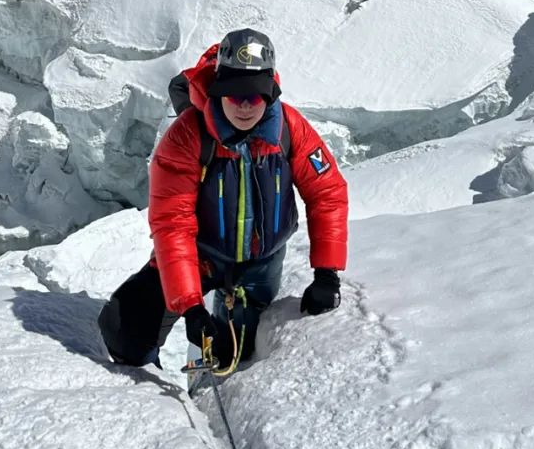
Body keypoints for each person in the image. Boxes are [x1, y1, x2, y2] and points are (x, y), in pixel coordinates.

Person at [98, 28, 348, 370]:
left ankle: (217, 366)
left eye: (255, 97)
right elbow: (173, 225)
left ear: (270, 94)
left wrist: (327, 272)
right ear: (218, 90)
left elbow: (327, 192)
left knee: (238, 351)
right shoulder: (187, 137)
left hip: (262, 259)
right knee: (125, 333)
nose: (244, 106)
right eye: (234, 94)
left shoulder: (289, 127)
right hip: (202, 256)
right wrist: (190, 306)